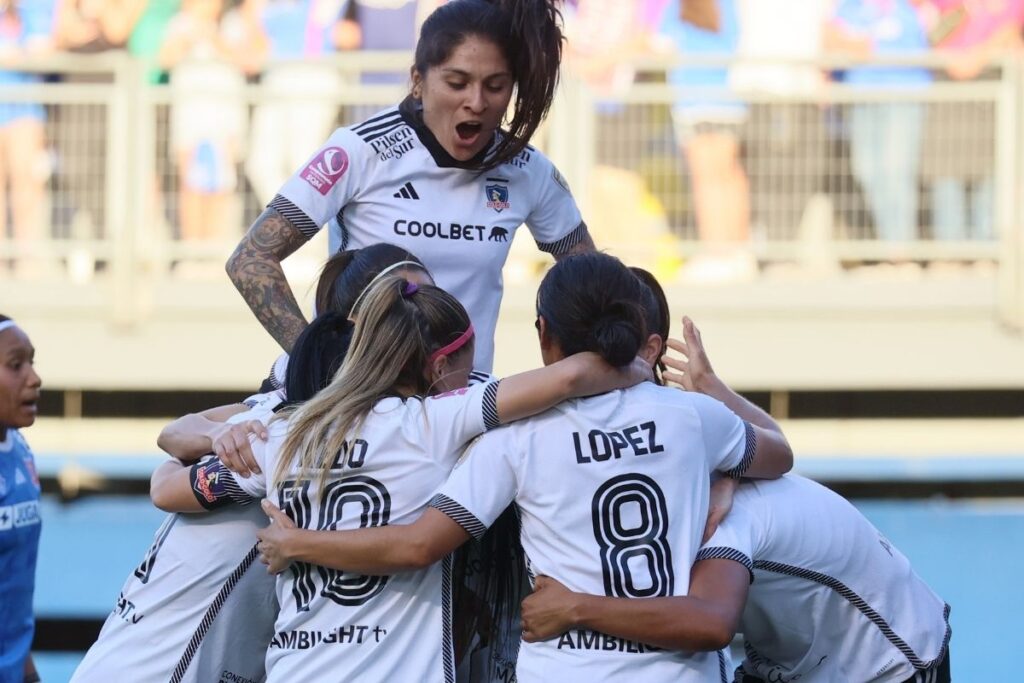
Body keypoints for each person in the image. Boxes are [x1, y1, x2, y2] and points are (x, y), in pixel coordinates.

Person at [254, 252, 793, 682]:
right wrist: (723, 457)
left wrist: (297, 542)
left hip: (565, 669)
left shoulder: (510, 438)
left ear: (542, 333)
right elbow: (778, 453)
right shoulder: (695, 419)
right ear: (638, 333)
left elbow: (419, 545)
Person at [211, 269, 649, 682]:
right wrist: (640, 371)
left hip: (297, 668)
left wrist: (219, 438)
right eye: (467, 369)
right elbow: (571, 376)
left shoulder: (285, 431)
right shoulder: (433, 422)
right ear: (438, 369)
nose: (471, 382)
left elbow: (170, 481)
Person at [71, 244, 432, 682]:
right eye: (414, 302)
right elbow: (166, 474)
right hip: (155, 669)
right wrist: (220, 439)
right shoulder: (281, 426)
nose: (429, 316)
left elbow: (174, 440)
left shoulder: (342, 417)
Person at [517, 321, 952, 683]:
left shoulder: (718, 515)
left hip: (888, 663)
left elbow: (710, 623)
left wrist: (576, 608)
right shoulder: (695, 456)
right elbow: (777, 449)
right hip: (792, 662)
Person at [226, 0, 594, 373]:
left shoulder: (528, 169)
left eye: (495, 87)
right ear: (418, 81)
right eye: (457, 83)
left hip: (462, 406)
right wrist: (318, 362)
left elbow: (592, 280)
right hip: (361, 403)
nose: (476, 102)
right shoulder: (360, 149)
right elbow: (250, 260)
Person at [826, 0, 931, 245]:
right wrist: (858, 47)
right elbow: (831, 41)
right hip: (863, 97)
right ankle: (889, 244)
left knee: (896, 171)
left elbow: (909, 45)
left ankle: (901, 248)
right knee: (867, 171)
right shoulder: (850, 7)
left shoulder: (908, 7)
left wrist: (859, 46)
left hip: (902, 96)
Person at [0, 316, 43, 683]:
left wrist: (26, 668)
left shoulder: (20, 451)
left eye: (32, 362)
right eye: (16, 365)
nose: (34, 378)